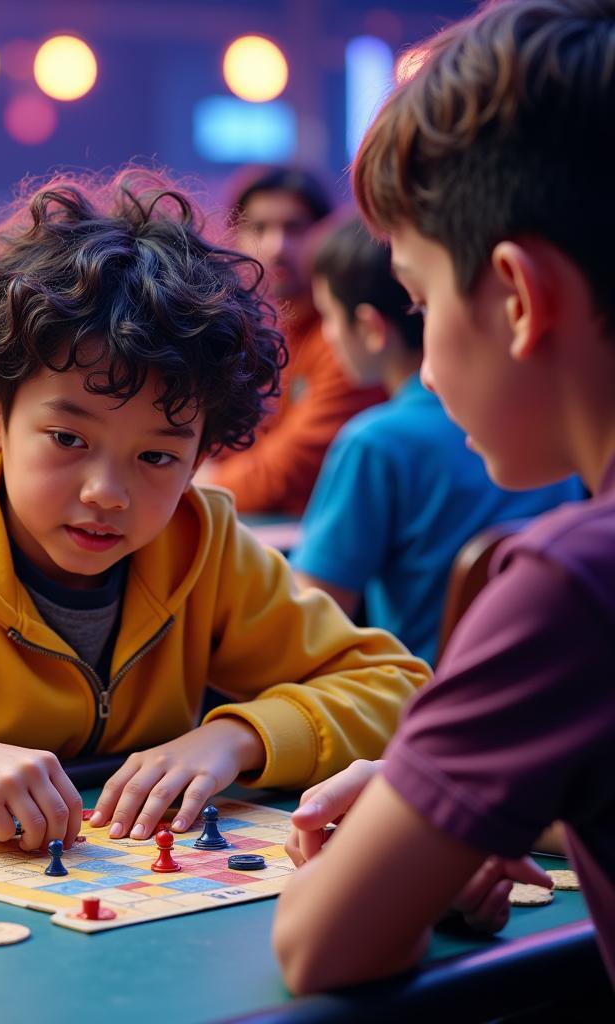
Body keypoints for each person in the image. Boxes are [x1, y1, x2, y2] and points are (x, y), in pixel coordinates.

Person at [0, 170, 430, 852]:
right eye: (69, 439)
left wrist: (237, 737)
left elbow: (394, 690)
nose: (108, 493)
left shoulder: (204, 544)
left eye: (158, 456)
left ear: (201, 454)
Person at [274, 0, 615, 995]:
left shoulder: (572, 582)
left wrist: (389, 843)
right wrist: (455, 795)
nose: (422, 363)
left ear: (515, 297)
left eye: (420, 303)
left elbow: (321, 945)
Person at [290, 215, 583, 663]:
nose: (327, 337)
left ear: (371, 328)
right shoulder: (544, 435)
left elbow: (306, 622)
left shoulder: (374, 444)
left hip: (409, 698)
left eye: (328, 316)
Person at [199, 166, 385, 514]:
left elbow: (288, 471)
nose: (277, 246)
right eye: (258, 228)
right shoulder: (248, 328)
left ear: (328, 233)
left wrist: (193, 483)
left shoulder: (346, 337)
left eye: (294, 228)